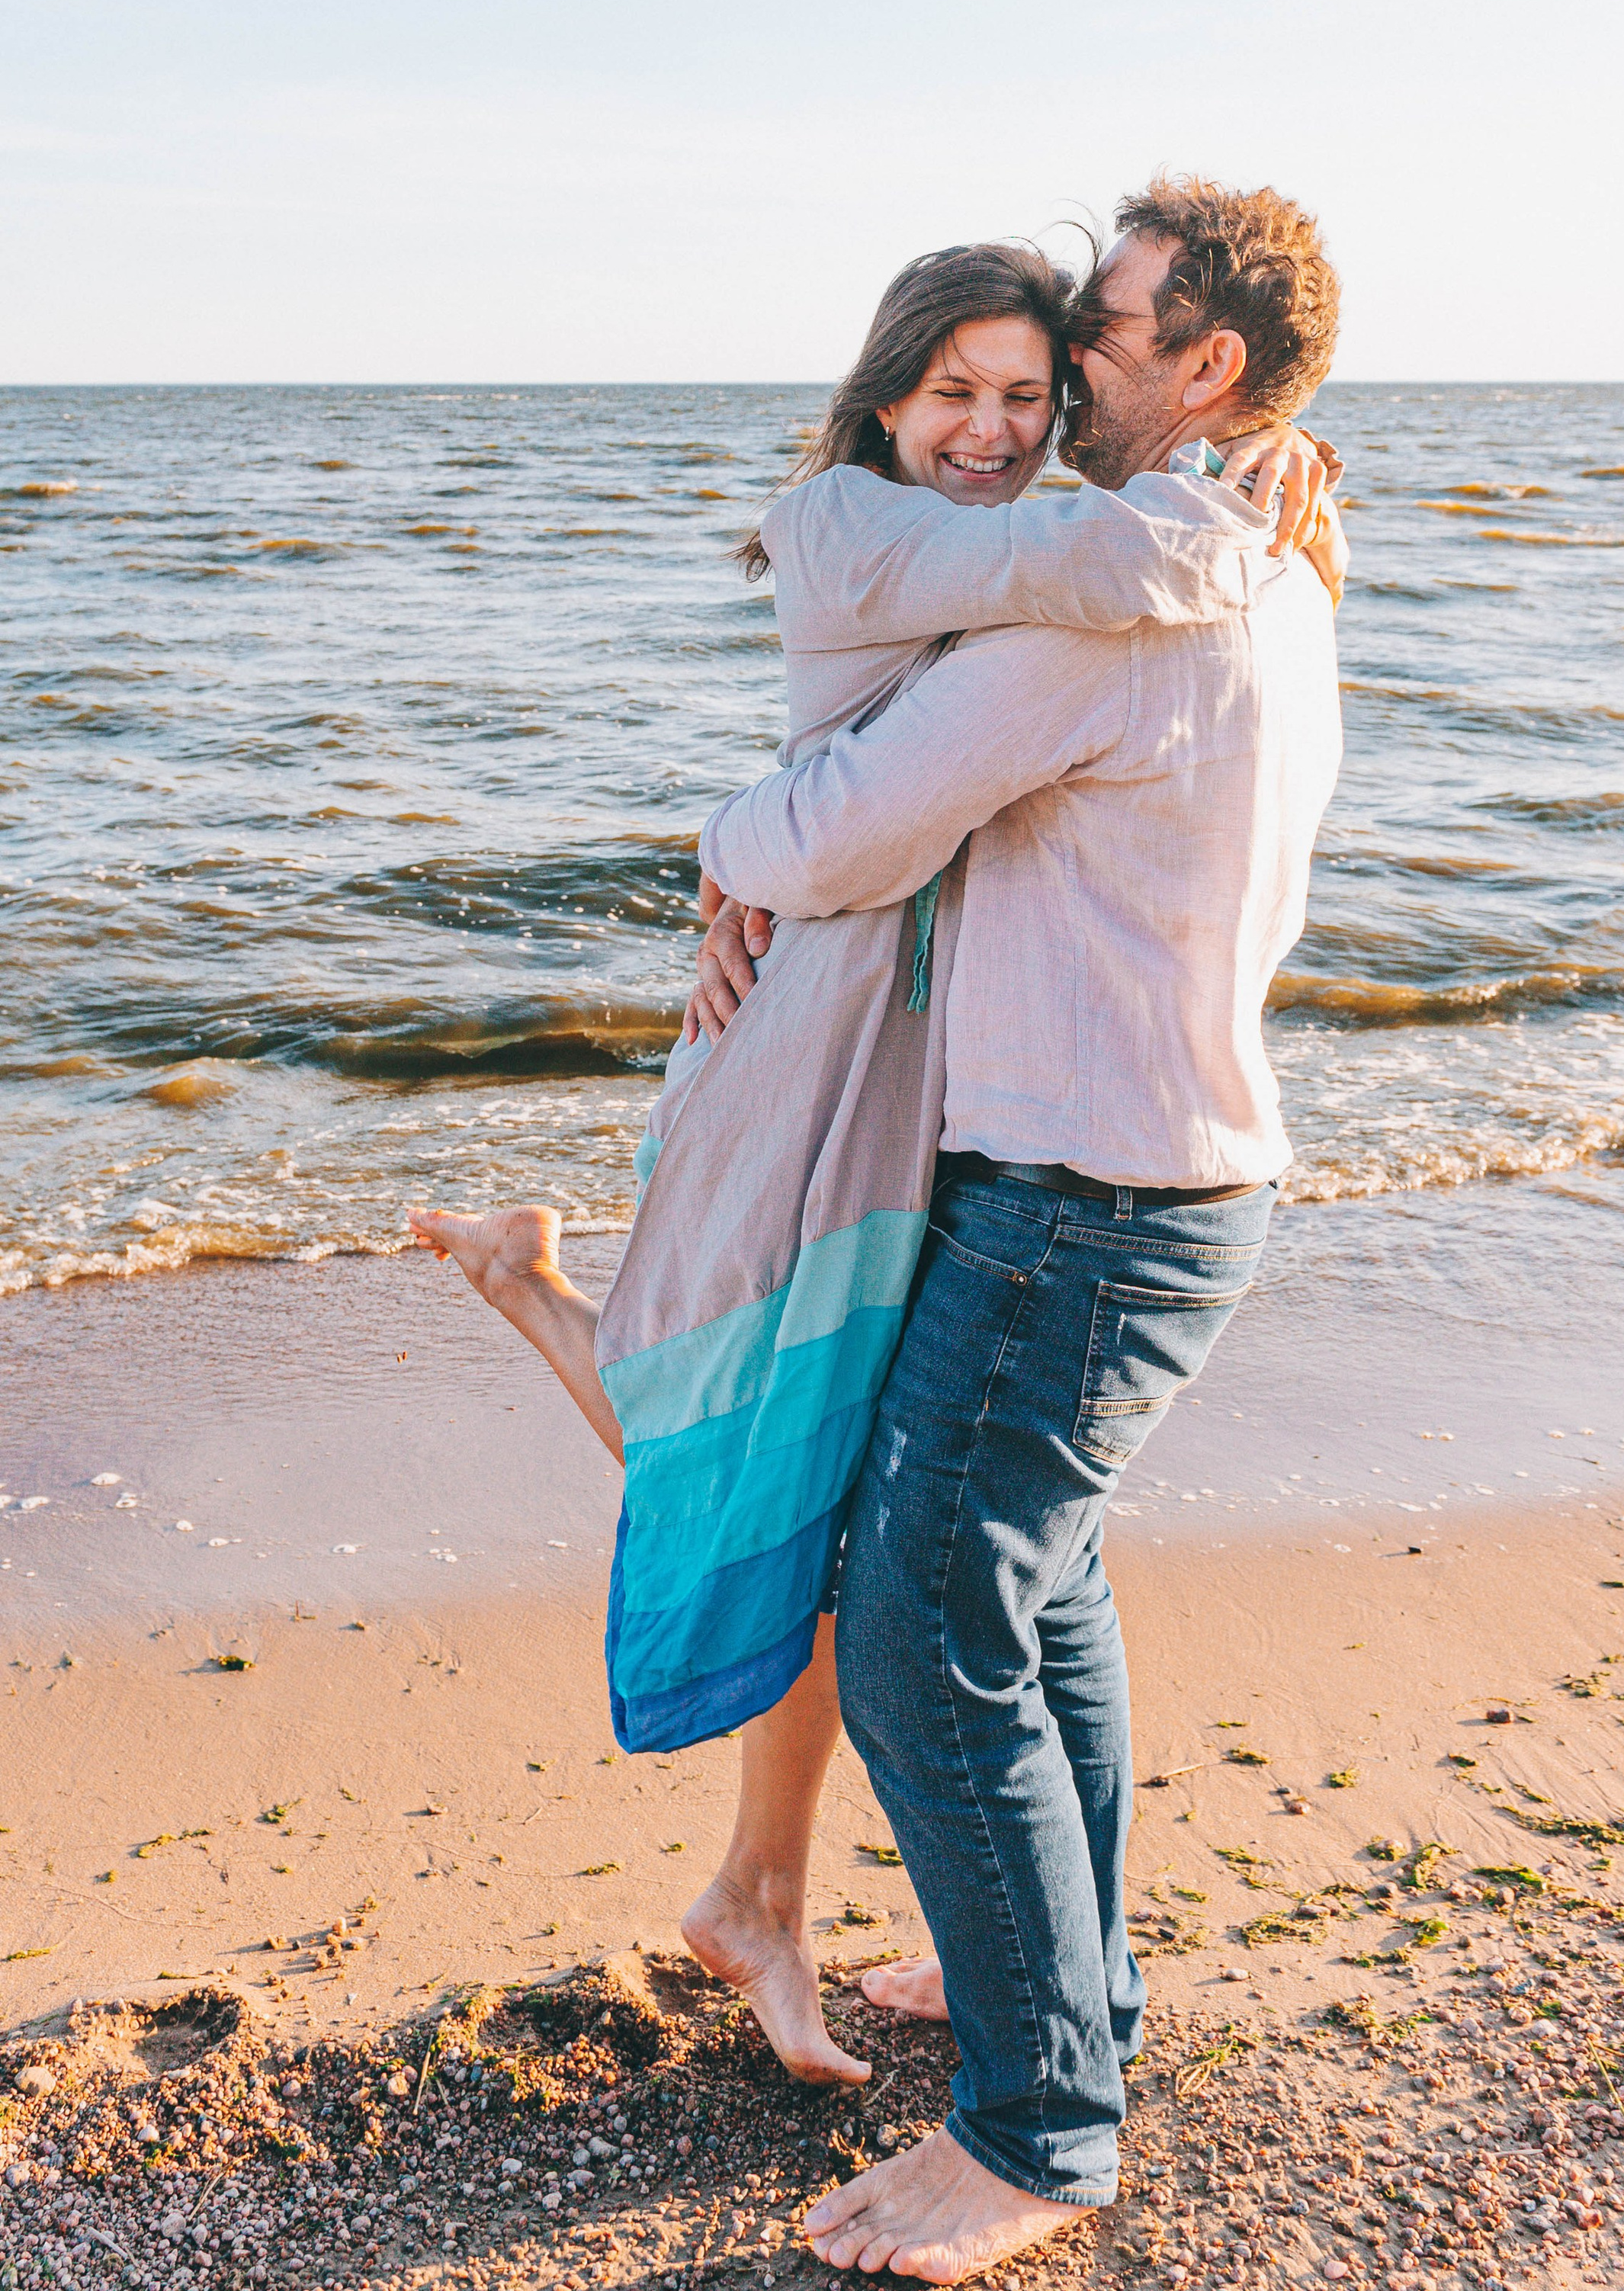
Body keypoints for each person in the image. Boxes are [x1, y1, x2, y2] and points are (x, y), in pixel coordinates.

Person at [410, 224, 1344, 2094]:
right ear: (885, 394)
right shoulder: (938, 531)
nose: (1029, 407)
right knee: (786, 1436)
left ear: (1210, 367)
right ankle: (835, 1916)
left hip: (951, 1077)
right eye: (974, 388)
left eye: (1067, 362)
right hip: (837, 1038)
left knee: (884, 1519)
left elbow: (895, 773)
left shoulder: (1155, 579)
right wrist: (731, 847)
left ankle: (907, 1970)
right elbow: (884, 768)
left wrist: (749, 846)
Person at [690, 173, 1345, 2283]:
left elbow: (845, 820)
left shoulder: (1111, 612)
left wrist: (726, 843)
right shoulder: (1278, 576)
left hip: (1085, 1195)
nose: (1069, 370)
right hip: (1161, 1181)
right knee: (1034, 1599)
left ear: (1209, 368)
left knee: (921, 1630)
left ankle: (1040, 2126)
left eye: (1106, 335)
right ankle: (1051, 1997)